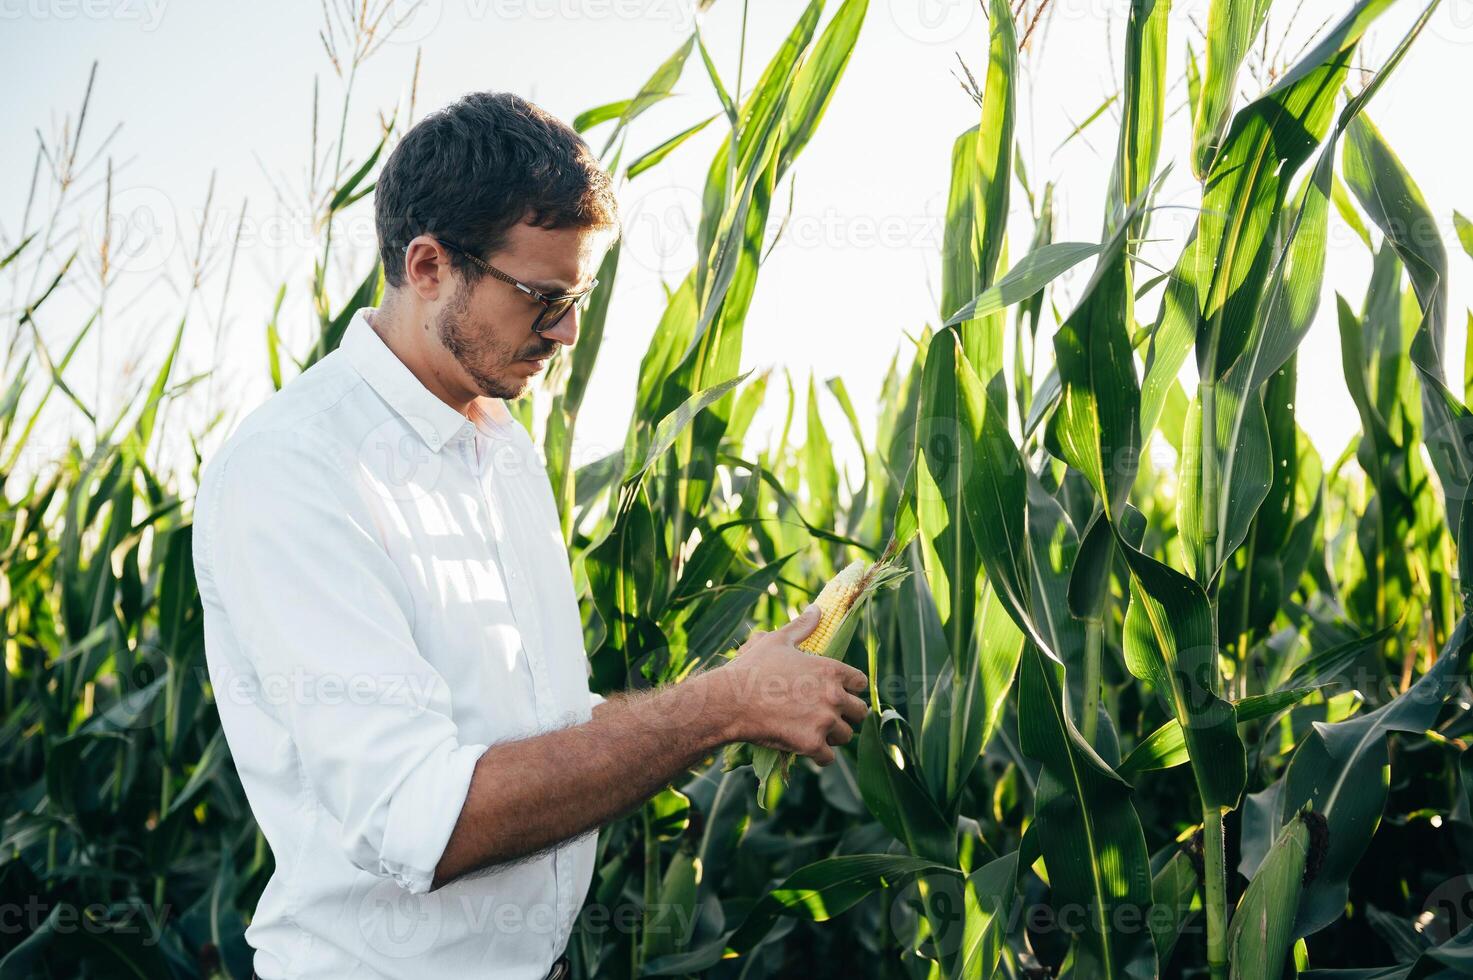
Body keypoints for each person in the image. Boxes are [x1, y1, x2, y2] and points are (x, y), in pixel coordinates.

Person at [192, 90, 869, 980]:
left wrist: (732, 688)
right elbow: (424, 822)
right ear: (428, 265)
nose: (568, 330)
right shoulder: (297, 470)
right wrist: (719, 706)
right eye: (542, 296)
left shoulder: (498, 447)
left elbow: (545, 725)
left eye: (579, 296)